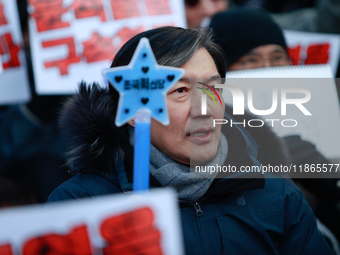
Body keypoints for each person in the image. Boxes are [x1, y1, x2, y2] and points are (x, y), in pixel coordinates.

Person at [47, 26, 333, 254]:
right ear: (134, 111)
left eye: (213, 88)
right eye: (181, 91)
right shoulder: (79, 204)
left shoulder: (275, 193)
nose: (205, 109)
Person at [209, 8, 340, 250]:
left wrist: (331, 186)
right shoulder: (208, 133)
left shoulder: (324, 110)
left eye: (277, 57)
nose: (268, 68)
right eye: (251, 60)